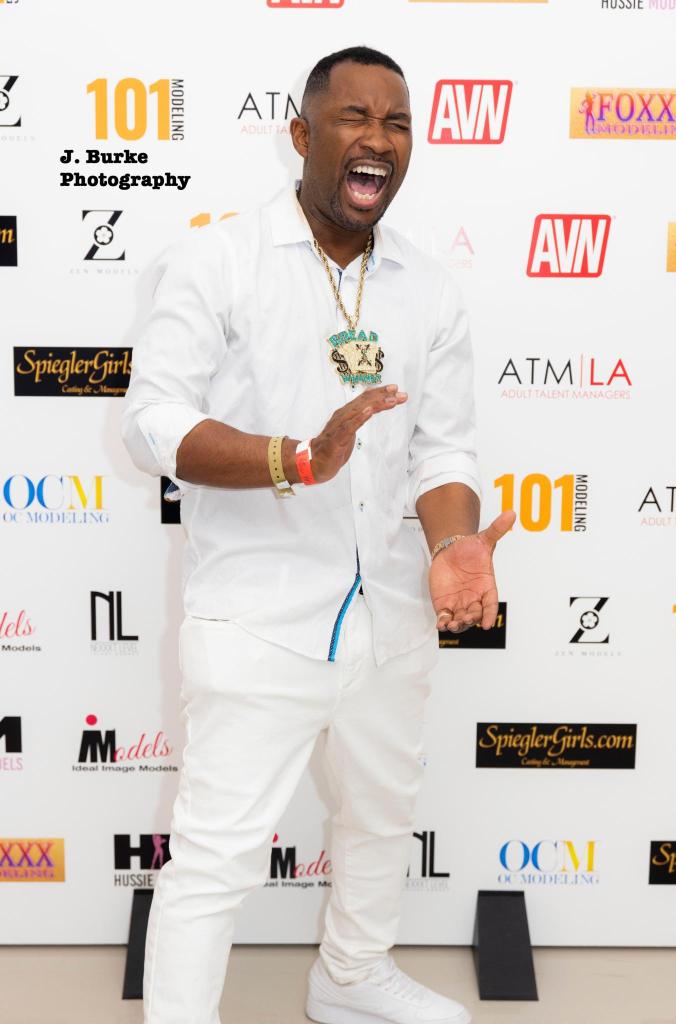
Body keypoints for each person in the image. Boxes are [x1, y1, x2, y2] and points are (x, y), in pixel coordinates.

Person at [122, 44, 514, 1024]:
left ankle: (348, 976)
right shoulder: (216, 262)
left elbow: (444, 451)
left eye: (396, 122)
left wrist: (450, 544)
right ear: (301, 134)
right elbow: (153, 424)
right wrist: (292, 459)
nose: (378, 138)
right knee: (214, 855)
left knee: (379, 817)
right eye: (354, 117)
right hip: (257, 614)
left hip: (390, 612)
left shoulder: (430, 288)